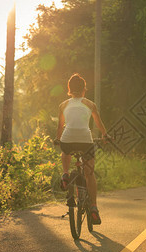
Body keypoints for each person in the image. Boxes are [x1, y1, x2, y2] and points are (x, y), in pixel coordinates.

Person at [54, 73, 108, 225]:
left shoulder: (63, 105)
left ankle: (65, 174)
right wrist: (105, 135)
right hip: (85, 141)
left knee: (65, 152)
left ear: (69, 89)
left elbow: (60, 126)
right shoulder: (90, 104)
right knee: (89, 175)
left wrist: (58, 139)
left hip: (68, 140)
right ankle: (94, 207)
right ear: (84, 89)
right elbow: (98, 123)